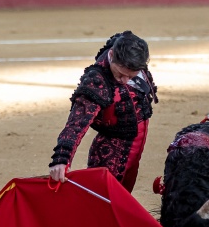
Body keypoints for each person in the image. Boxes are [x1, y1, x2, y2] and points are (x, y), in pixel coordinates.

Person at [48, 31, 158, 192]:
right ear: (111, 55)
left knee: (123, 193)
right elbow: (76, 122)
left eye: (131, 76)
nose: (125, 80)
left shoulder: (132, 56)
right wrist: (61, 158)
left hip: (135, 147)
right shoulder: (96, 81)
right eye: (121, 74)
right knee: (104, 196)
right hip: (111, 154)